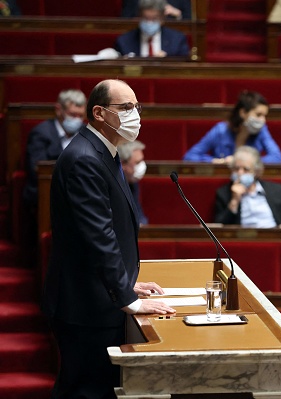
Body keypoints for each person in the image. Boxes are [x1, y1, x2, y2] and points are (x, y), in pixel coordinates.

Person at [41, 79, 176, 398]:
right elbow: (99, 237)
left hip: (96, 297)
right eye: (126, 107)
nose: (136, 115)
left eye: (137, 107)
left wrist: (127, 282)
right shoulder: (86, 158)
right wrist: (128, 298)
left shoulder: (104, 152)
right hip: (85, 305)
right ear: (99, 113)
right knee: (86, 391)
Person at [23, 89, 87, 208]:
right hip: (46, 193)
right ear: (58, 110)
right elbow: (36, 169)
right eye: (72, 115)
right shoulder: (41, 133)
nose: (77, 120)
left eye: (81, 116)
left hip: (80, 193)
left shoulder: (87, 133)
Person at [183, 90, 281, 164]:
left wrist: (248, 161)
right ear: (243, 112)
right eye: (258, 115)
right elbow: (189, 157)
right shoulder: (220, 130)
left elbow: (277, 158)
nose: (263, 120)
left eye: (265, 116)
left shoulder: (262, 130)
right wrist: (216, 161)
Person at [214, 146, 281, 227]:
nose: (240, 173)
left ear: (256, 172)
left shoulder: (277, 190)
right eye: (236, 169)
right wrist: (234, 201)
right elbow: (217, 230)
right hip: (243, 241)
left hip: (274, 238)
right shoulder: (224, 193)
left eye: (246, 169)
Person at [114, 0, 190, 57]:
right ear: (139, 17)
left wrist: (167, 60)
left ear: (162, 19)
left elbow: (184, 67)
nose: (149, 23)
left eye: (154, 19)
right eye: (146, 18)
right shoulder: (124, 41)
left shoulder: (177, 40)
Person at [118, 140, 148, 225]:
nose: (142, 165)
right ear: (123, 164)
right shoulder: (115, 188)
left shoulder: (133, 182)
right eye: (137, 162)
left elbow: (140, 216)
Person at [121, 0, 191, 20]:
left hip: (171, 38)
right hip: (139, 36)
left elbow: (190, 21)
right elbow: (125, 20)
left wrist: (178, 15)